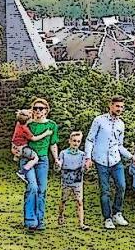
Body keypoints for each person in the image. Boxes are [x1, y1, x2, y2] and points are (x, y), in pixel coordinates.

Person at [84, 95, 135, 230]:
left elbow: (119, 145)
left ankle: (117, 213)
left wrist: (132, 157)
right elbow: (90, 139)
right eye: (117, 106)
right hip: (101, 160)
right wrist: (88, 157)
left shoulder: (121, 124)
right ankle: (107, 218)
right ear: (111, 105)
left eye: (121, 107)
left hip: (116, 160)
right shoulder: (99, 121)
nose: (119, 109)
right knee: (105, 190)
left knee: (121, 186)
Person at [22, 98, 60, 232]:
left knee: (41, 189)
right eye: (35, 108)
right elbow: (18, 140)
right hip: (28, 159)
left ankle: (40, 220)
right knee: (32, 187)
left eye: (41, 108)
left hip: (43, 160)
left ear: (46, 111)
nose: (38, 111)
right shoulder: (27, 125)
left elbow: (53, 144)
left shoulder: (52, 125)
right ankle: (30, 220)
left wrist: (56, 159)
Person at [57, 131, 90, 231]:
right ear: (69, 141)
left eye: (78, 141)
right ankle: (61, 215)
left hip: (77, 181)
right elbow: (59, 166)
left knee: (79, 201)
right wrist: (57, 165)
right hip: (66, 181)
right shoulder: (63, 153)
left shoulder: (82, 155)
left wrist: (87, 167)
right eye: (74, 141)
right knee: (63, 200)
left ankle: (81, 223)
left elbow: (84, 169)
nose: (76, 143)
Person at [11, 109, 53, 181]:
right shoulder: (25, 129)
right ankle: (23, 172)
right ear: (28, 120)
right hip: (22, 149)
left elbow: (23, 114)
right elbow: (34, 138)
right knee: (35, 158)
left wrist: (28, 111)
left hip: (14, 146)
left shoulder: (18, 124)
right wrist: (46, 133)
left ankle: (16, 156)